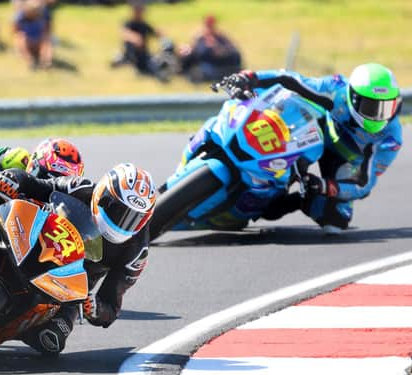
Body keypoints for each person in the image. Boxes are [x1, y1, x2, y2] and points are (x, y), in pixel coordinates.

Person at [0, 162, 156, 356]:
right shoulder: (82, 189)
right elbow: (39, 185)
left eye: (133, 218)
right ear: (102, 193)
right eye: (117, 209)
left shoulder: (136, 252)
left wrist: (94, 308)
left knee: (52, 340)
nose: (123, 222)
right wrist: (12, 181)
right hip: (34, 239)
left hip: (68, 286)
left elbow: (111, 305)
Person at [189, 63, 403, 234]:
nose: (378, 115)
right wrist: (251, 77)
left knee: (335, 222)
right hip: (315, 131)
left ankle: (285, 201)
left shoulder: (390, 138)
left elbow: (364, 183)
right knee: (277, 110)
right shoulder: (335, 90)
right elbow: (290, 80)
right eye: (371, 106)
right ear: (352, 97)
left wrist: (324, 185)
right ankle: (216, 139)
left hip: (345, 160)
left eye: (387, 107)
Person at [178, 15, 242, 83]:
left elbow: (230, 51)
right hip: (203, 63)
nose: (209, 27)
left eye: (211, 25)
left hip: (217, 64)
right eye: (207, 25)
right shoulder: (199, 37)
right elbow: (193, 49)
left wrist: (216, 47)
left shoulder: (220, 37)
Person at [111, 3, 164, 76]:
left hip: (143, 53)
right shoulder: (129, 23)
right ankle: (127, 61)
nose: (140, 13)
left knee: (153, 63)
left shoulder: (144, 24)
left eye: (141, 10)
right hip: (130, 53)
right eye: (138, 10)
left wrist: (160, 33)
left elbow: (158, 34)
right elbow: (125, 33)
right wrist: (135, 38)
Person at [13, 0, 52, 69]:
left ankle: (45, 61)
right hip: (27, 42)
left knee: (46, 41)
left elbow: (47, 31)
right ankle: (30, 61)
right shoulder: (21, 17)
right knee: (21, 39)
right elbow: (15, 32)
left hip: (38, 41)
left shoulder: (43, 16)